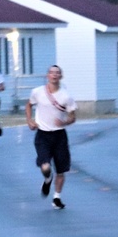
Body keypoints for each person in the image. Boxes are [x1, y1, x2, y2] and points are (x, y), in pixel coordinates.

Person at [26, 65, 77, 210]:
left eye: (57, 73)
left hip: (59, 135)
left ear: (61, 76)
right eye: (51, 73)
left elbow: (73, 117)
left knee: (61, 169)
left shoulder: (66, 96)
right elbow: (29, 105)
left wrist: (65, 121)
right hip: (43, 134)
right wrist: (30, 121)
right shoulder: (38, 92)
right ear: (47, 75)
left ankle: (56, 197)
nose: (54, 75)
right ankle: (48, 179)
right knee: (45, 165)